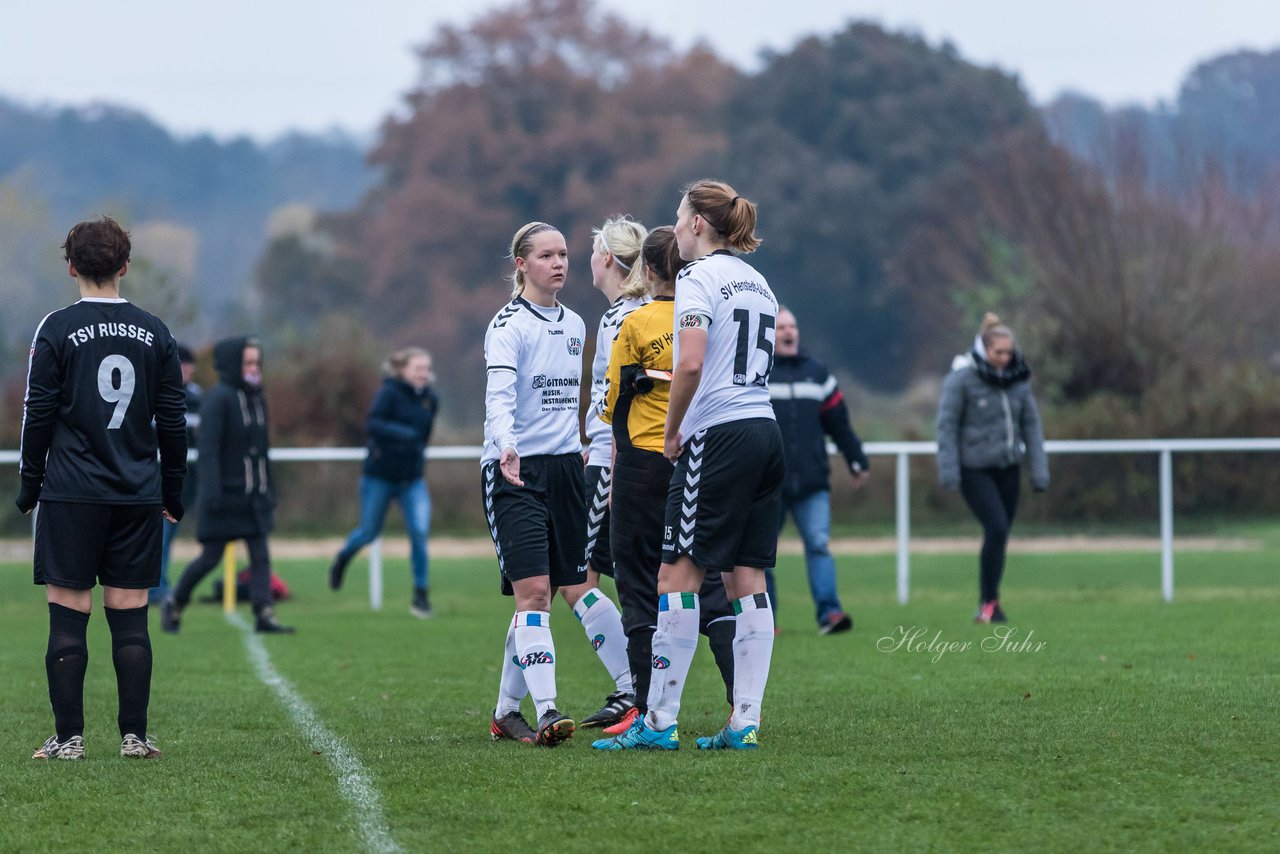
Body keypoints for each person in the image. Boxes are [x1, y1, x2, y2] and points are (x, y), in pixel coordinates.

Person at [598, 179, 783, 752]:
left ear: (698, 224)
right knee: (748, 579)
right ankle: (743, 722)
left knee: (675, 575)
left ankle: (658, 723)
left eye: (678, 218)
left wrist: (674, 429)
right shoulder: (759, 280)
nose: (674, 228)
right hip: (765, 432)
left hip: (720, 433)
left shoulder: (699, 277)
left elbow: (692, 363)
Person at [18, 216, 186, 760]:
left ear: (70, 266)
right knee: (130, 613)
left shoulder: (56, 328)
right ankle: (134, 738)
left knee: (69, 612)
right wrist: (173, 490)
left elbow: (37, 413)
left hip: (70, 494)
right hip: (137, 492)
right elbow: (174, 419)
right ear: (124, 266)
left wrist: (28, 484)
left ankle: (69, 741)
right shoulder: (155, 331)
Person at [591, 226, 737, 747]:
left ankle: (648, 713)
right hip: (697, 459)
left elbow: (610, 402)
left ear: (646, 271)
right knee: (709, 582)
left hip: (641, 466)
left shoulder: (634, 321)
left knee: (636, 586)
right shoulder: (707, 317)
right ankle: (738, 704)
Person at [482, 221, 587, 747]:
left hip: (566, 469)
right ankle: (547, 711)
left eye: (564, 254)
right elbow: (499, 397)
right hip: (515, 470)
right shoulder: (507, 325)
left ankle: (505, 712)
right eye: (547, 255)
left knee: (539, 601)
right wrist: (506, 444)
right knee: (535, 591)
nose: (559, 263)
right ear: (521, 264)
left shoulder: (576, 325)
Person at [161, 336, 294, 634]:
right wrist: (213, 494)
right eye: (248, 362)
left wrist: (268, 487)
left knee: (260, 555)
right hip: (224, 497)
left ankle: (264, 613)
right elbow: (208, 452)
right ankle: (176, 602)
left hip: (254, 497)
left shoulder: (258, 398)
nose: (254, 368)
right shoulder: (218, 399)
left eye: (257, 362)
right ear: (233, 364)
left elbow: (262, 449)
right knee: (210, 558)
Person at [575, 215, 649, 729]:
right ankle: (646, 688)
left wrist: (606, 450)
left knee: (575, 579)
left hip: (613, 459)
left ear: (605, 259)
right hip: (621, 454)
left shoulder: (620, 317)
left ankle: (632, 688)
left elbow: (617, 402)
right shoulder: (645, 309)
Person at [936, 312, 1049, 624]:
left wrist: (1039, 471)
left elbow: (1032, 427)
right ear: (984, 349)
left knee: (999, 535)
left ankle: (989, 603)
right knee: (997, 527)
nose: (1003, 358)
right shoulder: (962, 379)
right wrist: (949, 471)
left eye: (1008, 352)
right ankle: (989, 602)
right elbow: (946, 426)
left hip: (1008, 467)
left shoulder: (1019, 381)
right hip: (974, 469)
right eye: (998, 352)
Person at [769, 307, 869, 635]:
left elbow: (838, 422)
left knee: (819, 545)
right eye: (781, 326)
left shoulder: (818, 373)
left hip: (812, 481)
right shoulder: (759, 372)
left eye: (792, 326)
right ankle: (765, 621)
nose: (788, 332)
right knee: (761, 554)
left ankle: (830, 615)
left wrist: (856, 459)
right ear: (769, 333)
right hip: (769, 482)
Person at [328, 347, 439, 618]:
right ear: (403, 370)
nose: (423, 374)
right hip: (379, 476)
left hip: (412, 480)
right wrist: (404, 435)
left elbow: (422, 439)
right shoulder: (388, 393)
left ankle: (421, 595)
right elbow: (373, 425)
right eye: (418, 368)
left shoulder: (431, 400)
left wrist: (414, 454)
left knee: (420, 532)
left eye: (426, 369)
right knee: (368, 532)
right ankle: (343, 557)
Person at [150, 344, 202, 604]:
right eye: (184, 366)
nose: (188, 371)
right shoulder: (156, 392)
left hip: (184, 479)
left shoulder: (195, 396)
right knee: (159, 535)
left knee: (168, 536)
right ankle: (155, 587)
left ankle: (160, 583)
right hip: (157, 477)